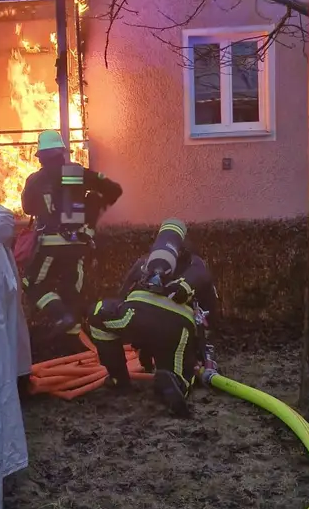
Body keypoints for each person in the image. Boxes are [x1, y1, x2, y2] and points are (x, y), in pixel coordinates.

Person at [20, 129, 122, 355]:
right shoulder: (78, 173)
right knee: (71, 293)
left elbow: (27, 208)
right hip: (78, 245)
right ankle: (73, 349)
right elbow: (114, 190)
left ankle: (60, 316)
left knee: (32, 283)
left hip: (50, 244)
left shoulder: (35, 180)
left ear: (41, 157)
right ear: (62, 153)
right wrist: (91, 212)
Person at [87, 278, 211, 418]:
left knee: (97, 316)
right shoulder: (196, 270)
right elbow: (203, 330)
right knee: (181, 372)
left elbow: (123, 294)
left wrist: (143, 347)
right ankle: (178, 383)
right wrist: (198, 357)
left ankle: (118, 380)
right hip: (178, 327)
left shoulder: (144, 265)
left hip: (138, 312)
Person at [117, 218, 220, 356]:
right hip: (178, 330)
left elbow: (122, 294)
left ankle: (144, 355)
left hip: (142, 325)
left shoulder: (145, 263)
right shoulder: (195, 264)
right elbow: (208, 300)